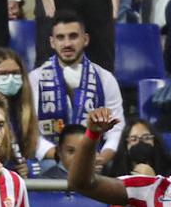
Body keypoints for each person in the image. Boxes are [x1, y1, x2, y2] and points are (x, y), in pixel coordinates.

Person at [28, 10, 124, 167]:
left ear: (85, 39)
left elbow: (117, 129)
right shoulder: (35, 79)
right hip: (51, 160)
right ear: (52, 42)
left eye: (73, 36)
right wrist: (62, 156)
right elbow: (30, 130)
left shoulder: (105, 78)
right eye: (60, 37)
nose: (67, 44)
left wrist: (102, 158)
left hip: (95, 159)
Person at [0, 46, 39, 176]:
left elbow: (30, 153)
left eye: (15, 73)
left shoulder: (22, 110)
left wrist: (30, 167)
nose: (10, 78)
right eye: (2, 74)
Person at [105, 116, 171, 176]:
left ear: (154, 141)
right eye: (134, 139)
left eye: (146, 138)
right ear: (126, 144)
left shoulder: (170, 171)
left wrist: (154, 180)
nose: (140, 143)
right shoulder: (114, 174)